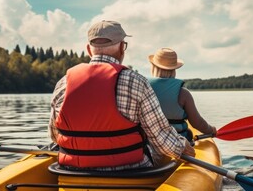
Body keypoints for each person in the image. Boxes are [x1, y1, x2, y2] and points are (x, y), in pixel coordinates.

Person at [48, 20, 195, 170]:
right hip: (130, 172)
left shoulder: (63, 84)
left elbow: (55, 135)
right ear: (122, 48)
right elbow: (162, 139)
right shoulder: (136, 82)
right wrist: (185, 147)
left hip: (73, 173)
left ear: (89, 50)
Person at [148, 48, 216, 142]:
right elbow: (197, 123)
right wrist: (211, 130)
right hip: (178, 140)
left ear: (153, 67)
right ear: (174, 69)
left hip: (151, 140)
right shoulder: (183, 93)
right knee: (189, 133)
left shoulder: (144, 88)